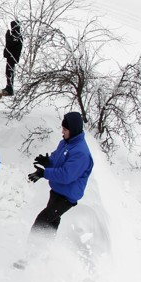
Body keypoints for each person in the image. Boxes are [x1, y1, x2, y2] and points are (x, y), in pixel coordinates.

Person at [15, 112, 94, 268]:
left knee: (42, 221)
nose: (62, 131)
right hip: (57, 191)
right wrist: (48, 162)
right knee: (51, 223)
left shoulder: (81, 153)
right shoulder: (66, 143)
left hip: (67, 197)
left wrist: (44, 173)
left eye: (65, 129)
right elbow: (58, 160)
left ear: (74, 129)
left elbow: (66, 175)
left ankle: (28, 258)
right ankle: (44, 255)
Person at [3, 20, 23, 95]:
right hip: (11, 57)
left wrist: (7, 34)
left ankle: (10, 89)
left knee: (10, 72)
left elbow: (9, 43)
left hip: (12, 57)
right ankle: (9, 87)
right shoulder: (16, 35)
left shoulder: (17, 36)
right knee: (8, 72)